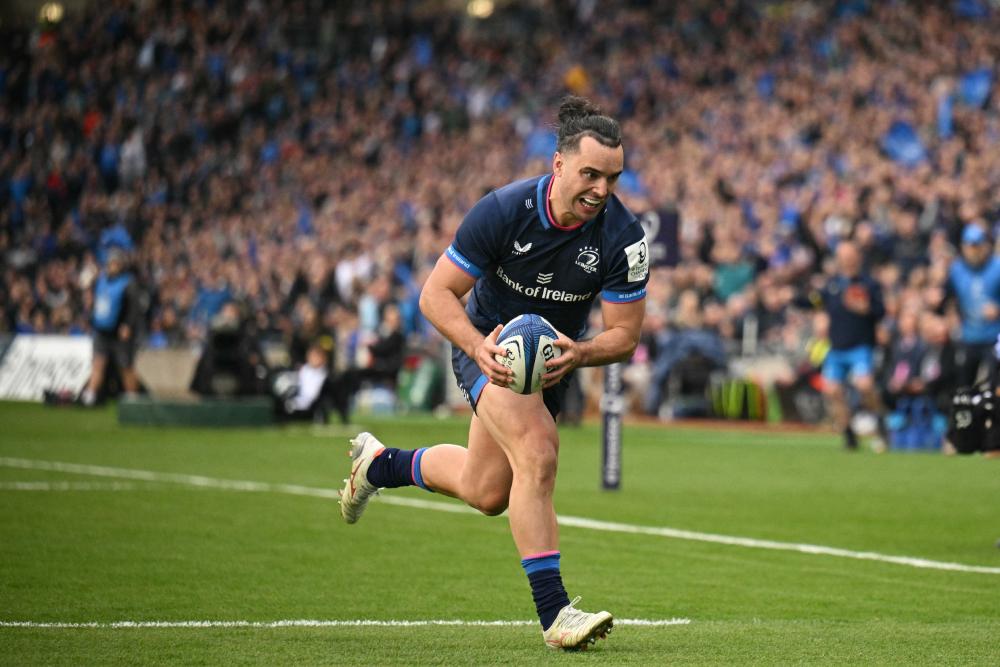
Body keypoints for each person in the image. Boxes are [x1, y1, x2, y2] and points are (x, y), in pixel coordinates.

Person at [338, 96, 648, 650]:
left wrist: (578, 353)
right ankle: (556, 615)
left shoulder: (624, 237)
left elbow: (625, 335)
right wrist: (479, 347)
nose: (602, 189)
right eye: (590, 174)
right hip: (486, 344)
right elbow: (436, 296)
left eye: (613, 177)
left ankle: (379, 465)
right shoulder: (503, 210)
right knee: (538, 452)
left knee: (486, 492)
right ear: (558, 166)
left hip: (552, 363)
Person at [818, 241, 888, 450]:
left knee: (864, 386)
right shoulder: (832, 285)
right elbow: (816, 302)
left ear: (857, 257)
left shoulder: (869, 284)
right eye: (842, 256)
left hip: (860, 345)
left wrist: (865, 308)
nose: (845, 260)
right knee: (832, 391)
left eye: (849, 255)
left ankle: (880, 422)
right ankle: (848, 433)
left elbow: (881, 311)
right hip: (837, 346)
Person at [80, 246, 143, 406]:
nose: (112, 266)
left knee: (125, 366)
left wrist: (127, 325)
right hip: (101, 330)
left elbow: (134, 307)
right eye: (110, 263)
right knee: (97, 363)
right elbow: (95, 301)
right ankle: (90, 396)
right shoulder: (101, 280)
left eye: (115, 263)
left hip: (119, 331)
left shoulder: (128, 282)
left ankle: (133, 398)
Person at [946, 223, 1000, 387]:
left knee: (993, 384)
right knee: (963, 385)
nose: (974, 251)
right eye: (970, 246)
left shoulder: (997, 268)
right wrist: (952, 316)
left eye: (977, 245)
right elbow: (949, 298)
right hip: (968, 335)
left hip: (994, 337)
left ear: (985, 245)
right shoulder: (956, 270)